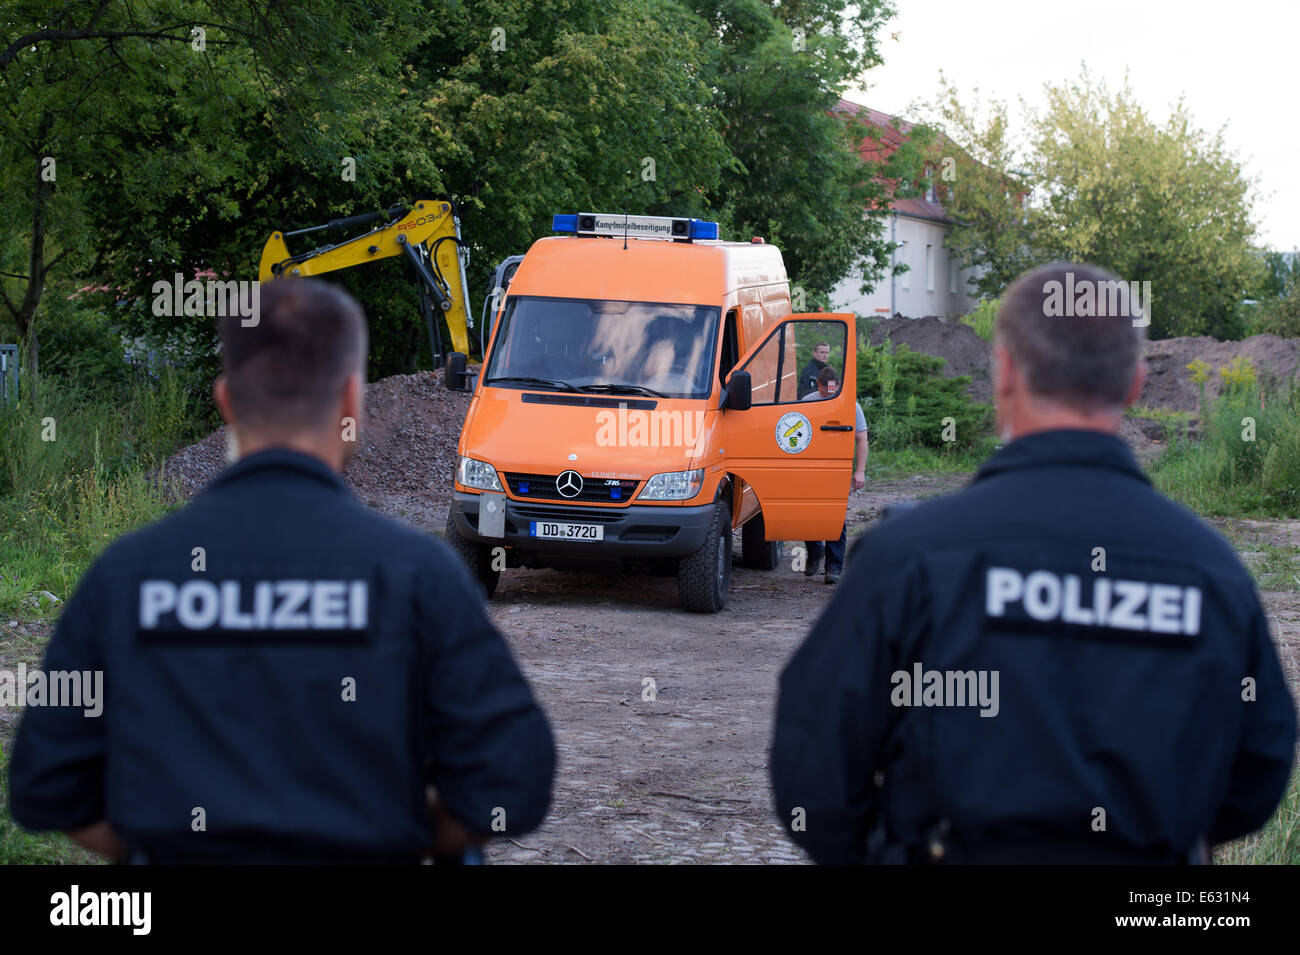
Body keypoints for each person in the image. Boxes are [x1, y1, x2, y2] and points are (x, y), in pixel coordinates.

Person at [8, 278, 556, 863]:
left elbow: (49, 787)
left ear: (226, 403)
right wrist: (414, 833)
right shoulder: (420, 576)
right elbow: (513, 783)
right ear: (351, 402)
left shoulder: (125, 576)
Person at [770, 262, 1297, 864]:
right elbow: (1258, 774)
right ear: (1134, 385)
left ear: (1006, 375)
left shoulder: (910, 559)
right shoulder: (1211, 573)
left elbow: (813, 770)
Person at [801, 365, 868, 584]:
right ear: (818, 385)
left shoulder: (851, 406)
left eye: (832, 391)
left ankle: (834, 567)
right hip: (811, 468)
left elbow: (861, 439)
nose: (828, 395)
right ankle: (815, 550)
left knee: (836, 515)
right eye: (824, 391)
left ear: (838, 386)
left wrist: (860, 471)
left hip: (837, 466)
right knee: (808, 514)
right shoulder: (807, 402)